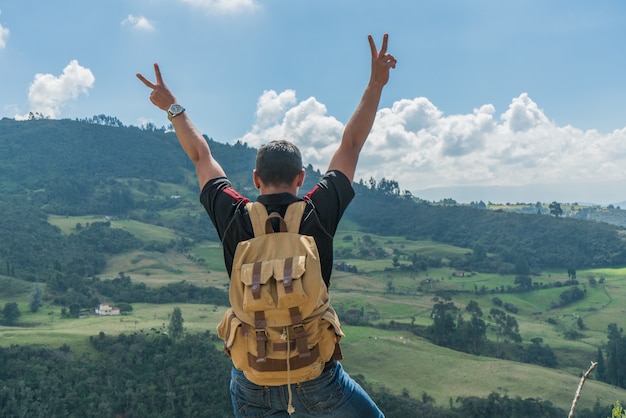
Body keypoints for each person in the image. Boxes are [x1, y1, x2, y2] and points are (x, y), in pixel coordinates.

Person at [137, 33, 396, 418]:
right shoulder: (316, 212)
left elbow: (200, 155)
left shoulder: (234, 214)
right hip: (317, 379)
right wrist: (375, 83)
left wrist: (171, 107)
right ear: (301, 178)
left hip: (252, 382)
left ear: (256, 179)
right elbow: (352, 144)